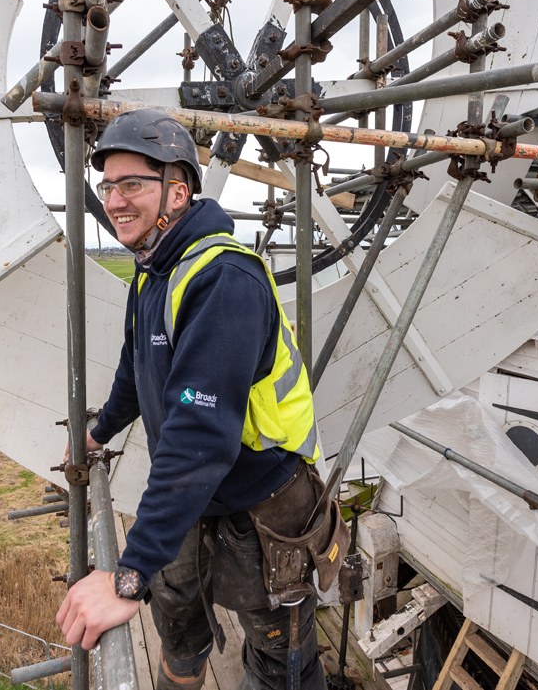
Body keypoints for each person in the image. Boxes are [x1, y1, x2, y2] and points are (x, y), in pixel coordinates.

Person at [55, 108, 344, 690]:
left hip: (264, 505)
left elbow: (198, 437)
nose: (114, 201)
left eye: (132, 184)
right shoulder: (154, 269)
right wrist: (100, 431)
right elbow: (137, 372)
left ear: (178, 192)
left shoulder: (224, 280)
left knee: (279, 656)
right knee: (178, 628)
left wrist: (128, 575)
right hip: (200, 497)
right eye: (107, 186)